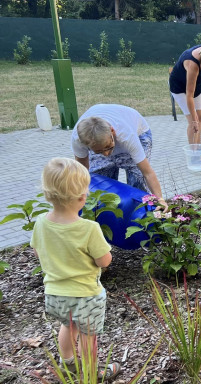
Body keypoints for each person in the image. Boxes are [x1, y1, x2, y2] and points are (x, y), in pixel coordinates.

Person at [30, 158, 121, 381]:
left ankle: (68, 363)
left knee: (67, 326)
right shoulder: (89, 229)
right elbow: (104, 261)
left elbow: (38, 252)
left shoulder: (41, 222)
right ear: (82, 197)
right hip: (86, 296)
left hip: (55, 294)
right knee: (89, 335)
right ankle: (92, 372)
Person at [71, 104, 168, 211]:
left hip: (138, 132)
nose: (107, 154)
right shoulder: (78, 139)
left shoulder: (127, 135)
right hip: (101, 137)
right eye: (98, 151)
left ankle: (141, 218)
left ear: (112, 131)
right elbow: (83, 171)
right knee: (101, 183)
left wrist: (160, 199)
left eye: (108, 147)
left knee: (137, 184)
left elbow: (147, 173)